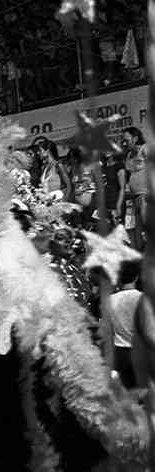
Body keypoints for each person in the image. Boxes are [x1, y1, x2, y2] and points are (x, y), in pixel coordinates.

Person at [102, 261, 142, 389]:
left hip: (120, 353)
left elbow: (106, 330)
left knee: (125, 393)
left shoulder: (109, 300)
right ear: (136, 277)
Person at [117, 127, 147, 249]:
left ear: (135, 138)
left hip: (147, 196)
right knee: (139, 236)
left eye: (126, 140)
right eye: (123, 140)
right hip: (134, 199)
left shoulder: (146, 149)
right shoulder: (129, 155)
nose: (124, 143)